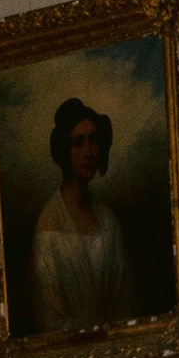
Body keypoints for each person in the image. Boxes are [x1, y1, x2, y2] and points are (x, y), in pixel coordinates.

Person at [30, 99, 137, 333]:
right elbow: (50, 318)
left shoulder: (107, 221)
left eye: (94, 140)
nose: (89, 152)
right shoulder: (48, 225)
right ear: (63, 150)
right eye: (78, 143)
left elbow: (124, 300)